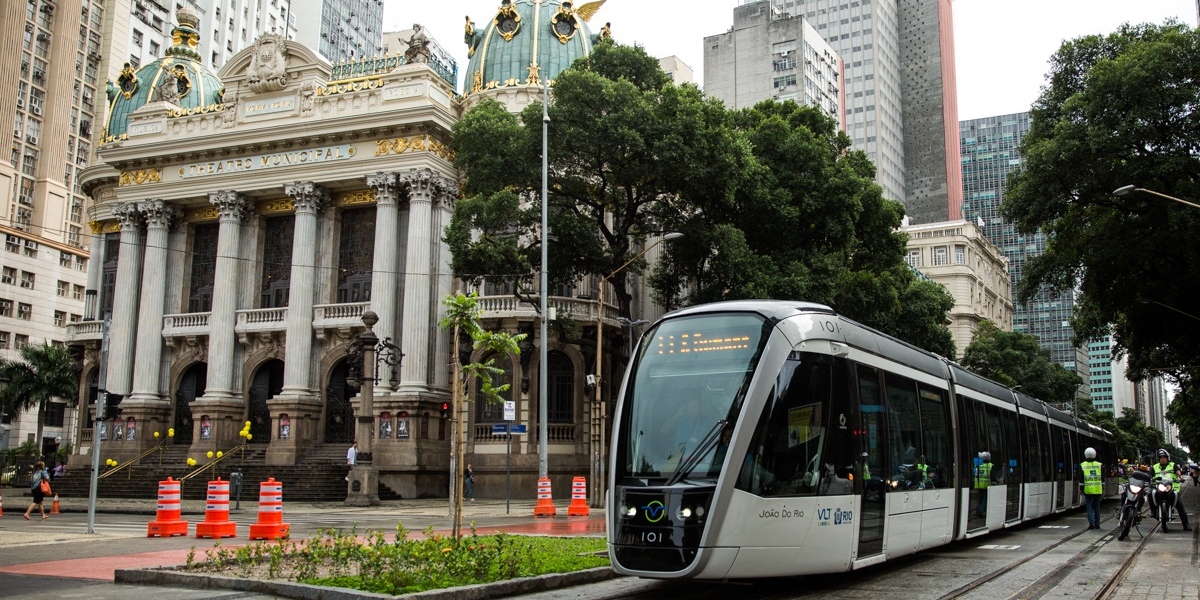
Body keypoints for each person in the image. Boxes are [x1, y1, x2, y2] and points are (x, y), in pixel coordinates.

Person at [1150, 448, 1192, 530]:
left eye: (1164, 457)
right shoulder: (1155, 467)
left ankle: (1186, 525)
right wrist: (1149, 480)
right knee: (1150, 493)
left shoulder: (1173, 465)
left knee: (1180, 506)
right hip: (1159, 487)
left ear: (1167, 458)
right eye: (1161, 457)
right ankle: (1153, 511)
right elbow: (1150, 475)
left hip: (1172, 488)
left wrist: (1181, 477)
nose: (1162, 459)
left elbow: (1178, 472)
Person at [1080, 447, 1103, 529]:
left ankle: (1091, 523)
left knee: (1089, 506)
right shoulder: (1099, 465)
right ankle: (1097, 523)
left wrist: (1081, 489)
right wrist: (1102, 487)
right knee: (1097, 506)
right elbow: (1102, 478)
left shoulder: (1083, 465)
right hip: (1098, 489)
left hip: (1088, 489)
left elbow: (1081, 479)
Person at [974, 451, 993, 518]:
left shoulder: (977, 465)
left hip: (978, 484)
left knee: (980, 498)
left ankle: (979, 510)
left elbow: (975, 473)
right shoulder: (990, 465)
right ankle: (981, 512)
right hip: (985, 484)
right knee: (984, 498)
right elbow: (992, 476)